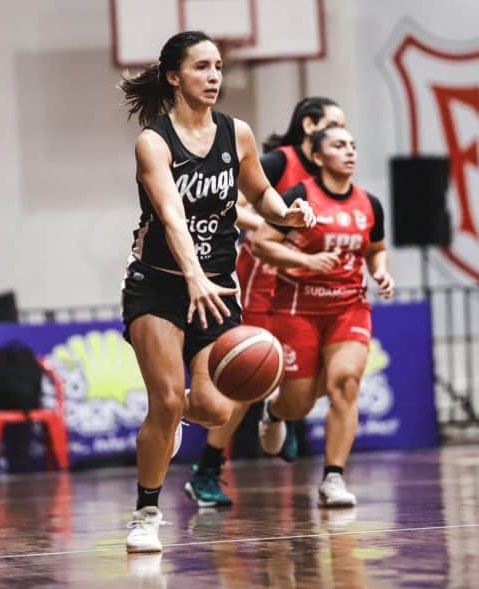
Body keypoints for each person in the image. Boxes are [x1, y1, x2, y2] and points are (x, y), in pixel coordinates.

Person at [118, 30, 315, 553]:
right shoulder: (154, 142)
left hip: (218, 287)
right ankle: (146, 511)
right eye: (202, 67)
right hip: (159, 287)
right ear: (174, 76)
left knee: (213, 410)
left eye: (219, 68)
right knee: (162, 400)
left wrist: (287, 214)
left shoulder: (238, 133)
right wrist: (193, 274)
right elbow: (172, 218)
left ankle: (171, 417)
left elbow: (261, 194)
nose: (214, 77)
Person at [184, 97, 346, 508]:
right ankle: (208, 468)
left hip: (305, 289)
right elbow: (231, 207)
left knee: (328, 373)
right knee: (244, 378)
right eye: (333, 124)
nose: (342, 136)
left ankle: (281, 413)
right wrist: (276, 224)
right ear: (309, 126)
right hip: (262, 282)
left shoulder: (332, 180)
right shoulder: (277, 161)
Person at [252, 126, 394, 507]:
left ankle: (333, 477)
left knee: (345, 383)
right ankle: (274, 412)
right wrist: (306, 260)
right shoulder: (299, 198)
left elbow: (376, 248)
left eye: (352, 145)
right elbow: (260, 243)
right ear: (317, 157)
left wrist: (380, 269)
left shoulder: (369, 203)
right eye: (338, 146)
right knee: (298, 402)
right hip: (298, 309)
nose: (349, 152)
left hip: (349, 306)